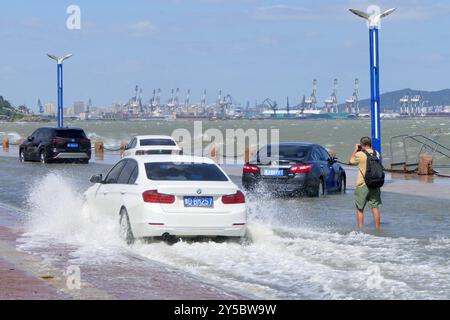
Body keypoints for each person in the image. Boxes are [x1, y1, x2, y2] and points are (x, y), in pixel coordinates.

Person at [349, 137, 382, 230]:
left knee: (360, 209)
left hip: (362, 184)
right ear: (370, 144)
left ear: (362, 145)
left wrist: (355, 149)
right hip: (375, 184)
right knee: (375, 207)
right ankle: (378, 228)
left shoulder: (359, 154)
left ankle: (360, 229)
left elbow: (350, 161)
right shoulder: (377, 154)